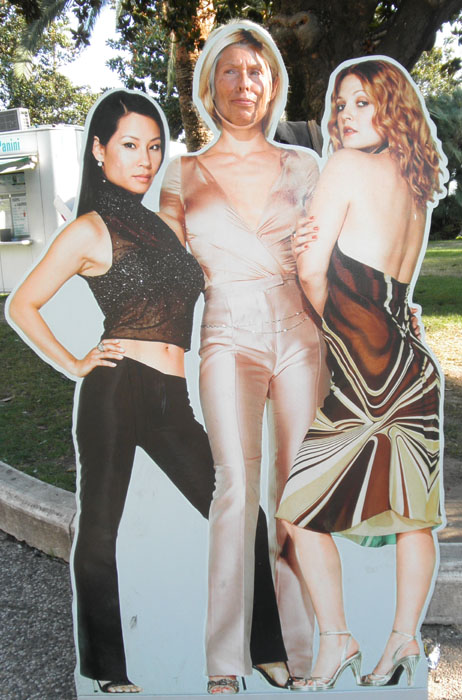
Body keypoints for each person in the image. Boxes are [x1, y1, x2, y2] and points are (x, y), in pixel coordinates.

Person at [7, 89, 289, 694]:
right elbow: (21, 305)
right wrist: (75, 363)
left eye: (154, 147)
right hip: (115, 390)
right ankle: (108, 671)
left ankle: (267, 648)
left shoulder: (164, 224)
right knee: (100, 529)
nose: (145, 159)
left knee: (243, 513)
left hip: (171, 398)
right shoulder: (89, 230)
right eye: (130, 145)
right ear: (99, 149)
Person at [160, 21, 329, 694]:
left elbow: (333, 261)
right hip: (228, 334)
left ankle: (300, 650)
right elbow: (164, 276)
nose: (243, 83)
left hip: (300, 335)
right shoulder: (182, 174)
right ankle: (224, 661)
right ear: (209, 86)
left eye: (256, 71)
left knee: (297, 494)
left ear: (274, 83)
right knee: (235, 491)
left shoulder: (304, 166)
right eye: (229, 70)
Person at [277, 57, 446, 691]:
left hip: (367, 370)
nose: (345, 116)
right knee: (412, 515)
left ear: (391, 107)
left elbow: (313, 273)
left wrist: (326, 313)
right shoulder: (415, 183)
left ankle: (338, 638)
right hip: (413, 367)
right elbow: (395, 288)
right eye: (341, 105)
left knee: (297, 512)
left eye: (361, 103)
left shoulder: (346, 167)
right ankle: (403, 638)